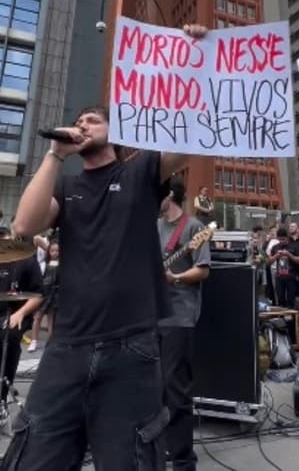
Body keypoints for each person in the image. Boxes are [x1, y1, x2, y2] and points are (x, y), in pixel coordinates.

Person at [5, 24, 208, 471]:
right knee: (34, 456)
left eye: (92, 121)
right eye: (78, 121)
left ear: (115, 133)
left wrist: (195, 59)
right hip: (67, 346)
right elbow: (24, 224)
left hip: (131, 347)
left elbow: (189, 139)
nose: (81, 125)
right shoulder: (67, 185)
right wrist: (55, 155)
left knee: (130, 459)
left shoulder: (139, 173)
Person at [158, 178, 211, 471]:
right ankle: (159, 447)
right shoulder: (154, 226)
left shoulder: (193, 228)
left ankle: (182, 459)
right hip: (151, 315)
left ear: (169, 195)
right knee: (153, 386)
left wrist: (175, 277)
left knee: (175, 387)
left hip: (179, 316)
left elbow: (202, 270)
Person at [0, 227, 43, 418]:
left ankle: (2, 397)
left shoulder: (26, 261)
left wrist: (20, 313)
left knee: (8, 340)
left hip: (16, 313)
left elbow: (38, 294)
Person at [27, 240, 59, 352]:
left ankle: (50, 342)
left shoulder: (62, 265)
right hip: (44, 294)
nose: (55, 253)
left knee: (51, 319)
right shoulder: (44, 264)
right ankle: (34, 341)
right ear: (48, 252)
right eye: (52, 250)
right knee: (37, 317)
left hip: (55, 295)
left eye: (57, 250)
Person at [267, 226, 299, 308]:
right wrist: (276, 256)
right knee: (280, 299)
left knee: (291, 299)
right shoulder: (275, 247)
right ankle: (281, 313)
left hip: (291, 276)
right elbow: (269, 262)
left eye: (283, 239)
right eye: (279, 239)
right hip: (279, 276)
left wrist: (289, 255)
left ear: (287, 237)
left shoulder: (294, 246)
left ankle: (291, 314)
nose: (281, 241)